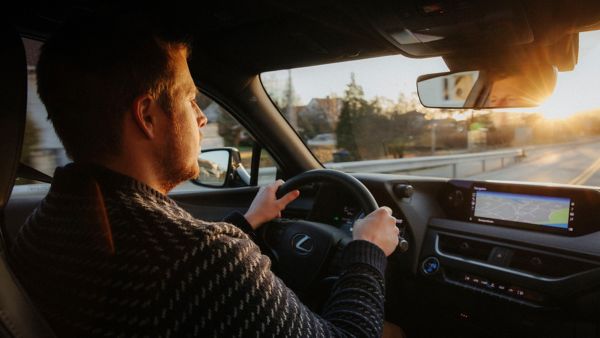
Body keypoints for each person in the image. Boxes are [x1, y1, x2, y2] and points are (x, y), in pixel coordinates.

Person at [10, 14, 399, 337]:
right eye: (190, 99)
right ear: (147, 116)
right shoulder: (202, 258)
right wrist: (367, 250)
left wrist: (247, 224)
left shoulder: (46, 225)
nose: (201, 117)